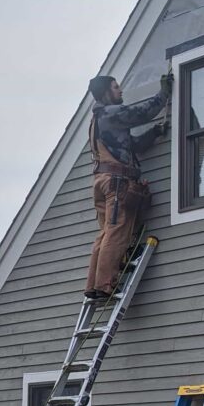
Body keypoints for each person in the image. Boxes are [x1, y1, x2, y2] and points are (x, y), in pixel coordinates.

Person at [85, 72, 172, 299]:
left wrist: (154, 133)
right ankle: (105, 284)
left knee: (105, 234)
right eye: (116, 87)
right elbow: (142, 112)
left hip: (103, 182)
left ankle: (93, 286)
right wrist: (164, 93)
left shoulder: (97, 122)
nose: (120, 91)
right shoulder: (110, 113)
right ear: (106, 93)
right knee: (117, 233)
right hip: (116, 183)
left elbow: (131, 145)